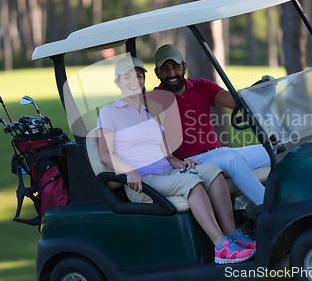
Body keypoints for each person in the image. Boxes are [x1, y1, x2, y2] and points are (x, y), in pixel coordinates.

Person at [97, 56, 255, 264]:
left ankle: (232, 234)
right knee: (192, 182)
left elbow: (165, 153)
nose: (134, 81)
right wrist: (128, 171)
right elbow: (104, 153)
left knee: (212, 171)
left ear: (144, 80)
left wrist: (180, 163)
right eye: (127, 77)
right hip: (143, 182)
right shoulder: (110, 112)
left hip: (167, 173)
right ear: (117, 82)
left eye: (138, 76)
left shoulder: (150, 111)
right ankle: (221, 247)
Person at [149, 44, 270, 206]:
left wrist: (262, 92)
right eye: (164, 69)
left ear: (184, 66)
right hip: (190, 162)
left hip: (217, 152)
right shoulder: (153, 100)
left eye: (175, 67)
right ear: (157, 72)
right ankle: (269, 208)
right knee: (231, 159)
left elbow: (236, 103)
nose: (171, 73)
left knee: (273, 149)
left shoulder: (202, 86)